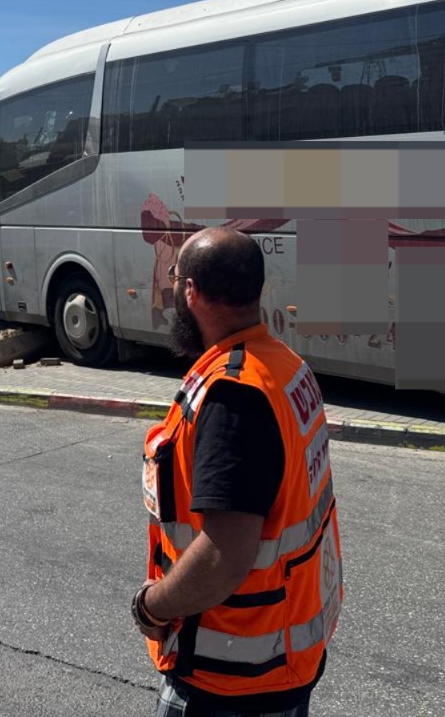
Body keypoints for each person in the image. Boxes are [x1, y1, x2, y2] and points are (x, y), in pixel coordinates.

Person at [133, 228, 343, 717]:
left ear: (192, 292)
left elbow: (224, 556)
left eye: (175, 277)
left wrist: (153, 606)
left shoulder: (233, 397)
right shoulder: (285, 366)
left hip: (231, 678)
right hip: (282, 656)